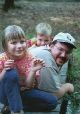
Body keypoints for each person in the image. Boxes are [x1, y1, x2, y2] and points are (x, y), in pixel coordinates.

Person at [0, 25, 58, 114]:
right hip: (5, 93)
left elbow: (28, 85)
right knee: (11, 72)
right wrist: (4, 70)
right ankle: (16, 110)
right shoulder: (2, 58)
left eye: (22, 41)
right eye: (14, 42)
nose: (19, 46)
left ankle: (12, 106)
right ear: (5, 46)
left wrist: (33, 70)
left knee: (52, 102)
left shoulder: (30, 57)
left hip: (24, 92)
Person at [29, 32, 76, 98]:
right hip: (16, 92)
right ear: (51, 46)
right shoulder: (45, 59)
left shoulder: (46, 51)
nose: (63, 55)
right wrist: (67, 87)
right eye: (60, 49)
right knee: (51, 101)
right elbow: (53, 95)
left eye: (68, 52)